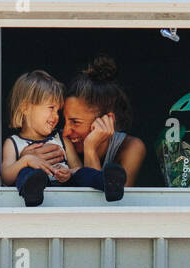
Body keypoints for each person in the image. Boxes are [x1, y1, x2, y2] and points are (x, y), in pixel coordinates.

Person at [0, 68, 126, 205]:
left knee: (83, 174)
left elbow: (79, 168)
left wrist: (69, 173)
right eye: (51, 108)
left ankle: (109, 184)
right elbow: (6, 176)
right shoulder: (13, 143)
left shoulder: (62, 139)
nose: (56, 117)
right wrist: (26, 160)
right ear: (25, 108)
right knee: (26, 173)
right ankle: (32, 193)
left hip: (67, 191)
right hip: (41, 189)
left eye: (57, 110)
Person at [61, 55, 146, 195]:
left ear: (107, 119)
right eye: (65, 121)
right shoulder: (59, 142)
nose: (65, 132)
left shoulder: (131, 148)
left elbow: (109, 205)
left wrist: (90, 149)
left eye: (75, 122)